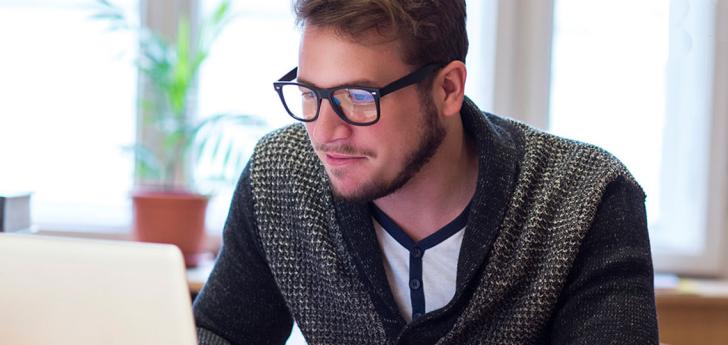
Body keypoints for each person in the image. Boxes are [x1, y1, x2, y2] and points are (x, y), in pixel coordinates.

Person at [193, 0, 660, 344]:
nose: (326, 132)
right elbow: (221, 332)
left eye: (359, 97)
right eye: (310, 94)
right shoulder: (282, 176)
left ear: (448, 89)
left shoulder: (585, 199)